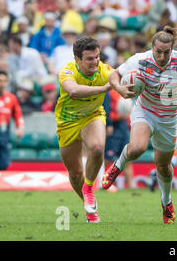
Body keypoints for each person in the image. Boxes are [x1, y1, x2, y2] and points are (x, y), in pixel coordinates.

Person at [102, 26, 177, 224]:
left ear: (172, 49)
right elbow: (113, 75)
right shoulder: (140, 60)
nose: (161, 56)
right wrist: (119, 89)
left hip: (169, 119)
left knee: (163, 167)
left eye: (166, 52)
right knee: (137, 148)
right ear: (152, 47)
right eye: (158, 51)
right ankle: (116, 167)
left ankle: (166, 202)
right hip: (145, 111)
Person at [55, 37, 113, 223]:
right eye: (89, 58)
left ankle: (89, 188)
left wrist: (127, 87)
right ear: (77, 59)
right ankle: (88, 204)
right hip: (67, 123)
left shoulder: (103, 70)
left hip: (92, 116)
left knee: (97, 148)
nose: (95, 62)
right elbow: (73, 91)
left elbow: (118, 78)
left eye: (97, 57)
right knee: (75, 173)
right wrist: (103, 88)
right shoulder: (67, 71)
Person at [0, 71, 24, 170]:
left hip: (4, 134)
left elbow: (18, 114)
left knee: (4, 163)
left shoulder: (12, 98)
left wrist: (20, 128)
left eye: (4, 81)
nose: (2, 83)